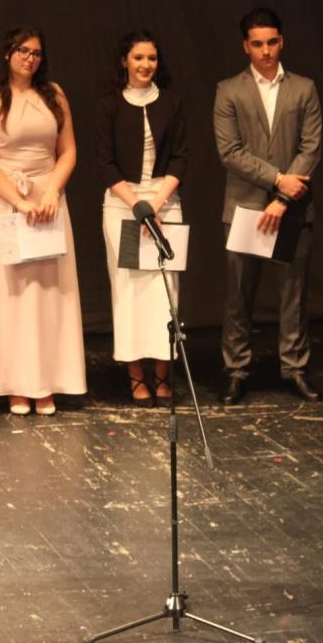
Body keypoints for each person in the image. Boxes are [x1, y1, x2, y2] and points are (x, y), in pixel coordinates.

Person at [0, 26, 86, 414]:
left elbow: (68, 152)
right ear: (7, 54)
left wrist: (51, 191)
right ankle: (15, 384)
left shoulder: (54, 95)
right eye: (22, 50)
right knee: (11, 295)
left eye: (35, 52)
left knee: (46, 295)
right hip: (4, 201)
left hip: (47, 203)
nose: (29, 58)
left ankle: (45, 382)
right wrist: (18, 200)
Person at [213, 7, 323, 405]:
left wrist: (282, 198)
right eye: (257, 44)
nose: (266, 51)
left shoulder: (304, 88)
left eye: (272, 42)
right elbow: (230, 152)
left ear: (282, 42)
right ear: (246, 46)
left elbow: (311, 148)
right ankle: (236, 370)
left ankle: (294, 368)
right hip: (245, 206)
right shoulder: (229, 90)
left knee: (294, 293)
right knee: (239, 294)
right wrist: (278, 181)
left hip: (292, 207)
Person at [94, 30, 187, 407]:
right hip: (123, 204)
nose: (146, 64)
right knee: (129, 292)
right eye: (138, 58)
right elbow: (105, 163)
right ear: (124, 61)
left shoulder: (173, 103)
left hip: (165, 201)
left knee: (165, 292)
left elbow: (180, 158)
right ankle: (136, 378)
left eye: (151, 58)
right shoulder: (109, 106)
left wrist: (157, 202)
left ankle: (163, 375)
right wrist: (137, 205)